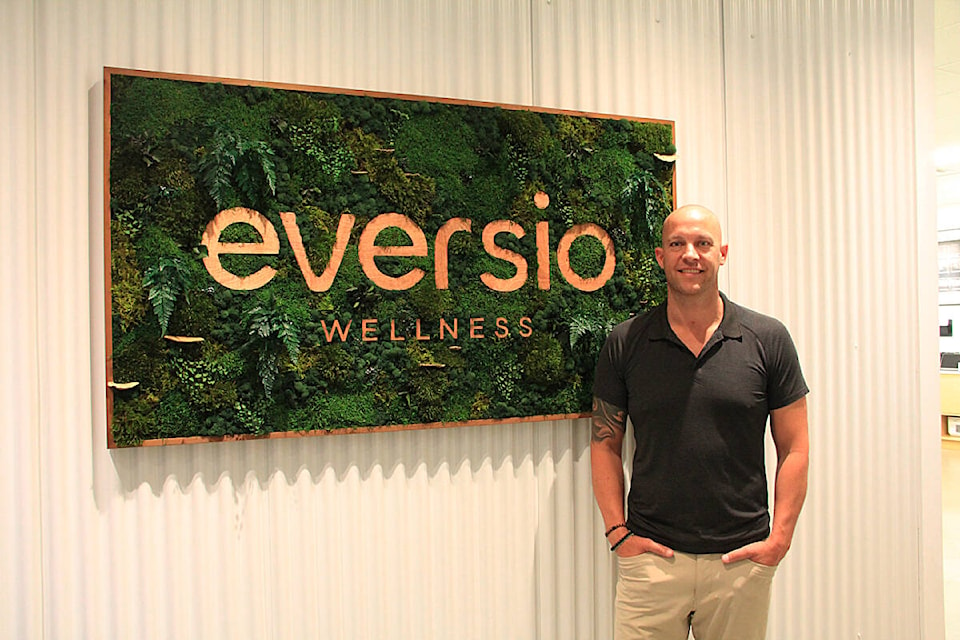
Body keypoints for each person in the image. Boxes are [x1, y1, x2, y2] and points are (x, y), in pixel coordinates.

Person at [590, 204, 809, 640]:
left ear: (722, 253)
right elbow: (605, 443)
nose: (690, 254)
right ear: (660, 256)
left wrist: (779, 538)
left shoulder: (768, 339)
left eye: (702, 243)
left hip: (740, 561)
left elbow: (796, 447)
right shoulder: (626, 341)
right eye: (678, 244)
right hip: (651, 562)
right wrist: (618, 532)